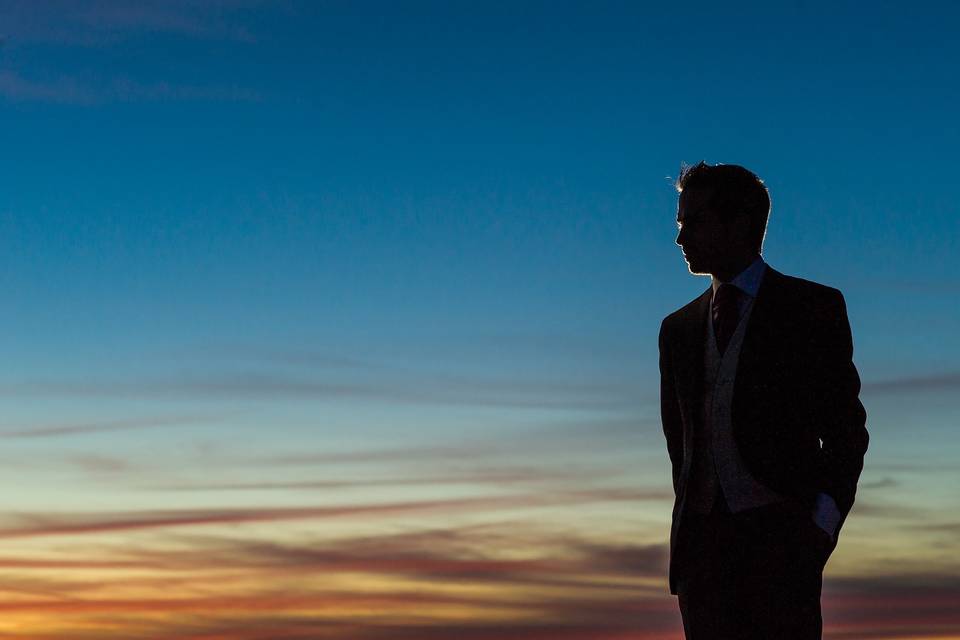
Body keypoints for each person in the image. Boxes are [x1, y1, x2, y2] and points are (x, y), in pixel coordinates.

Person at [658, 162, 868, 639]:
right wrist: (691, 539)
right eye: (679, 223)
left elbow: (845, 431)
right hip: (703, 562)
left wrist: (819, 528)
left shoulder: (811, 309)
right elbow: (682, 448)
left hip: (783, 548)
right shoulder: (677, 330)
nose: (680, 238)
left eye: (693, 221)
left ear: (740, 222)